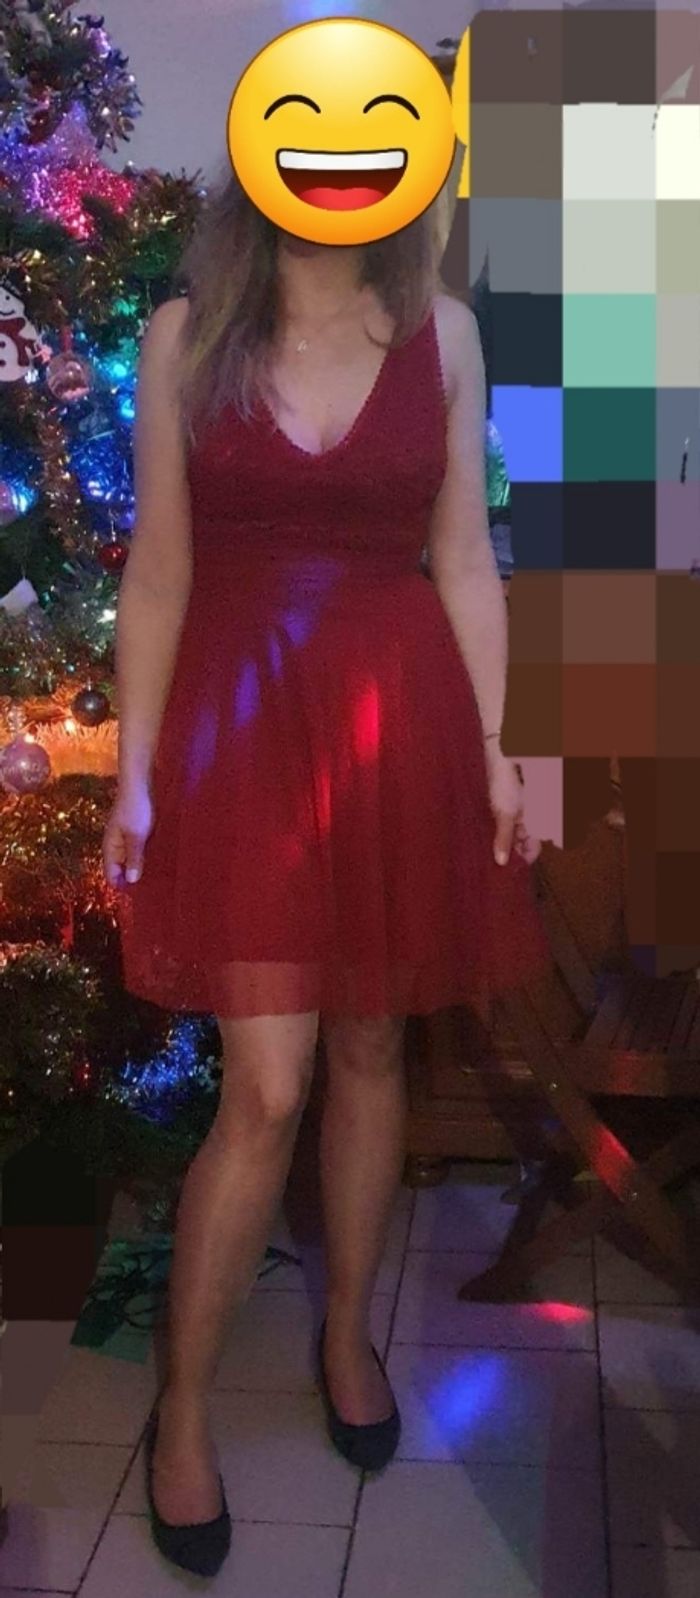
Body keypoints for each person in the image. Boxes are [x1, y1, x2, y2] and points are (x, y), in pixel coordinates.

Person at [102, 167, 547, 1577]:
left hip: (395, 725)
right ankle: (182, 1409)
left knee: (369, 1048)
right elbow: (158, 573)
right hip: (242, 731)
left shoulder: (447, 331)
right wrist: (134, 768)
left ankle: (348, 1332)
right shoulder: (186, 334)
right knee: (267, 1088)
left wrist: (502, 748)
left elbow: (463, 561)